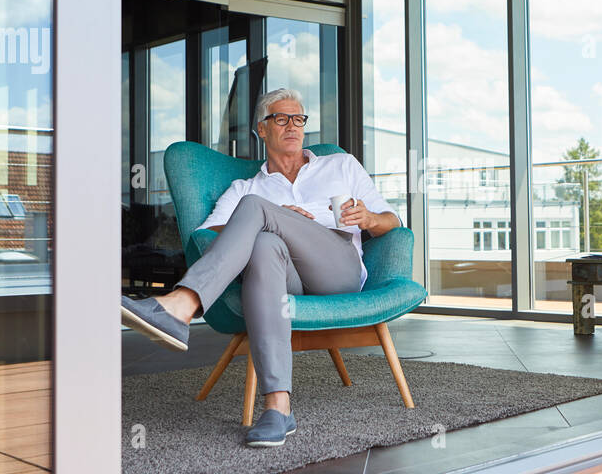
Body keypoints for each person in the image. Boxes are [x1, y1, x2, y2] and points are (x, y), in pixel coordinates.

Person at [120, 88, 400, 447]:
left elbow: (393, 220)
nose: (292, 126)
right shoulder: (245, 187)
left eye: (298, 119)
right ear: (261, 130)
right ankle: (278, 408)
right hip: (289, 280)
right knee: (265, 240)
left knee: (257, 209)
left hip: (339, 267)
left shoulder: (341, 165)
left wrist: (370, 218)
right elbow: (207, 234)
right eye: (281, 119)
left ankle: (182, 304)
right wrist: (278, 220)